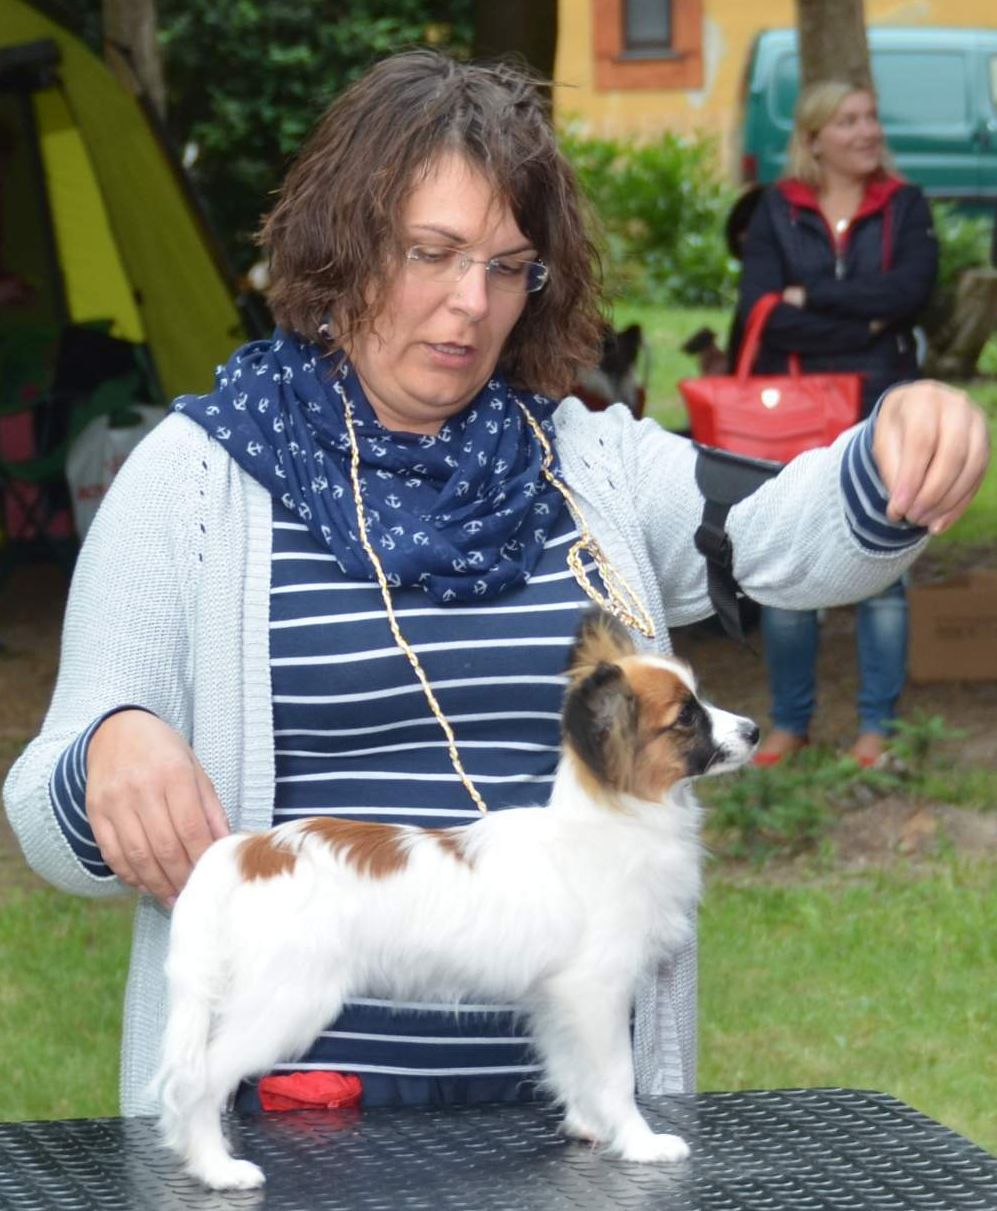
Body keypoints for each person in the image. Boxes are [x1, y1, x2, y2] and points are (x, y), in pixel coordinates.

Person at [3, 52, 987, 1118]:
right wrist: (110, 748)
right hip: (289, 1110)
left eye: (509, 266)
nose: (469, 304)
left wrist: (893, 456)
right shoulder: (198, 475)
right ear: (342, 246)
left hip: (564, 1113)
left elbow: (784, 539)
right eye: (431, 253)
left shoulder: (588, 461)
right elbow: (44, 808)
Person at [736, 80, 941, 768]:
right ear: (814, 136)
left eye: (872, 117)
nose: (867, 131)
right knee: (790, 563)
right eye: (849, 121)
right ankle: (790, 726)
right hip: (793, 408)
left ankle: (875, 727)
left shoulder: (904, 205)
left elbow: (910, 294)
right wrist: (863, 318)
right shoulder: (775, 209)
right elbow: (758, 309)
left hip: (883, 405)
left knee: (884, 567)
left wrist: (812, 298)